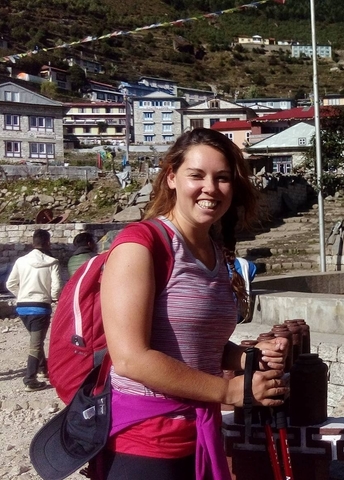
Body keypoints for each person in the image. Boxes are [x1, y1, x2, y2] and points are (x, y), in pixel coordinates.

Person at [98, 128, 289, 479]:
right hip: (144, 441)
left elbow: (193, 343)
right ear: (171, 177)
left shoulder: (215, 252)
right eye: (196, 175)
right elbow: (129, 358)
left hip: (197, 435)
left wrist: (246, 356)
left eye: (222, 178)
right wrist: (227, 390)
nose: (211, 188)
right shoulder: (140, 245)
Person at [6, 229, 61, 392]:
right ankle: (30, 379)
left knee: (35, 341)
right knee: (36, 343)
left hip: (23, 307)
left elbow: (10, 283)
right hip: (40, 307)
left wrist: (21, 294)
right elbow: (56, 287)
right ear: (48, 243)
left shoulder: (21, 261)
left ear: (33, 243)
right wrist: (51, 297)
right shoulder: (53, 262)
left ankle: (44, 369)